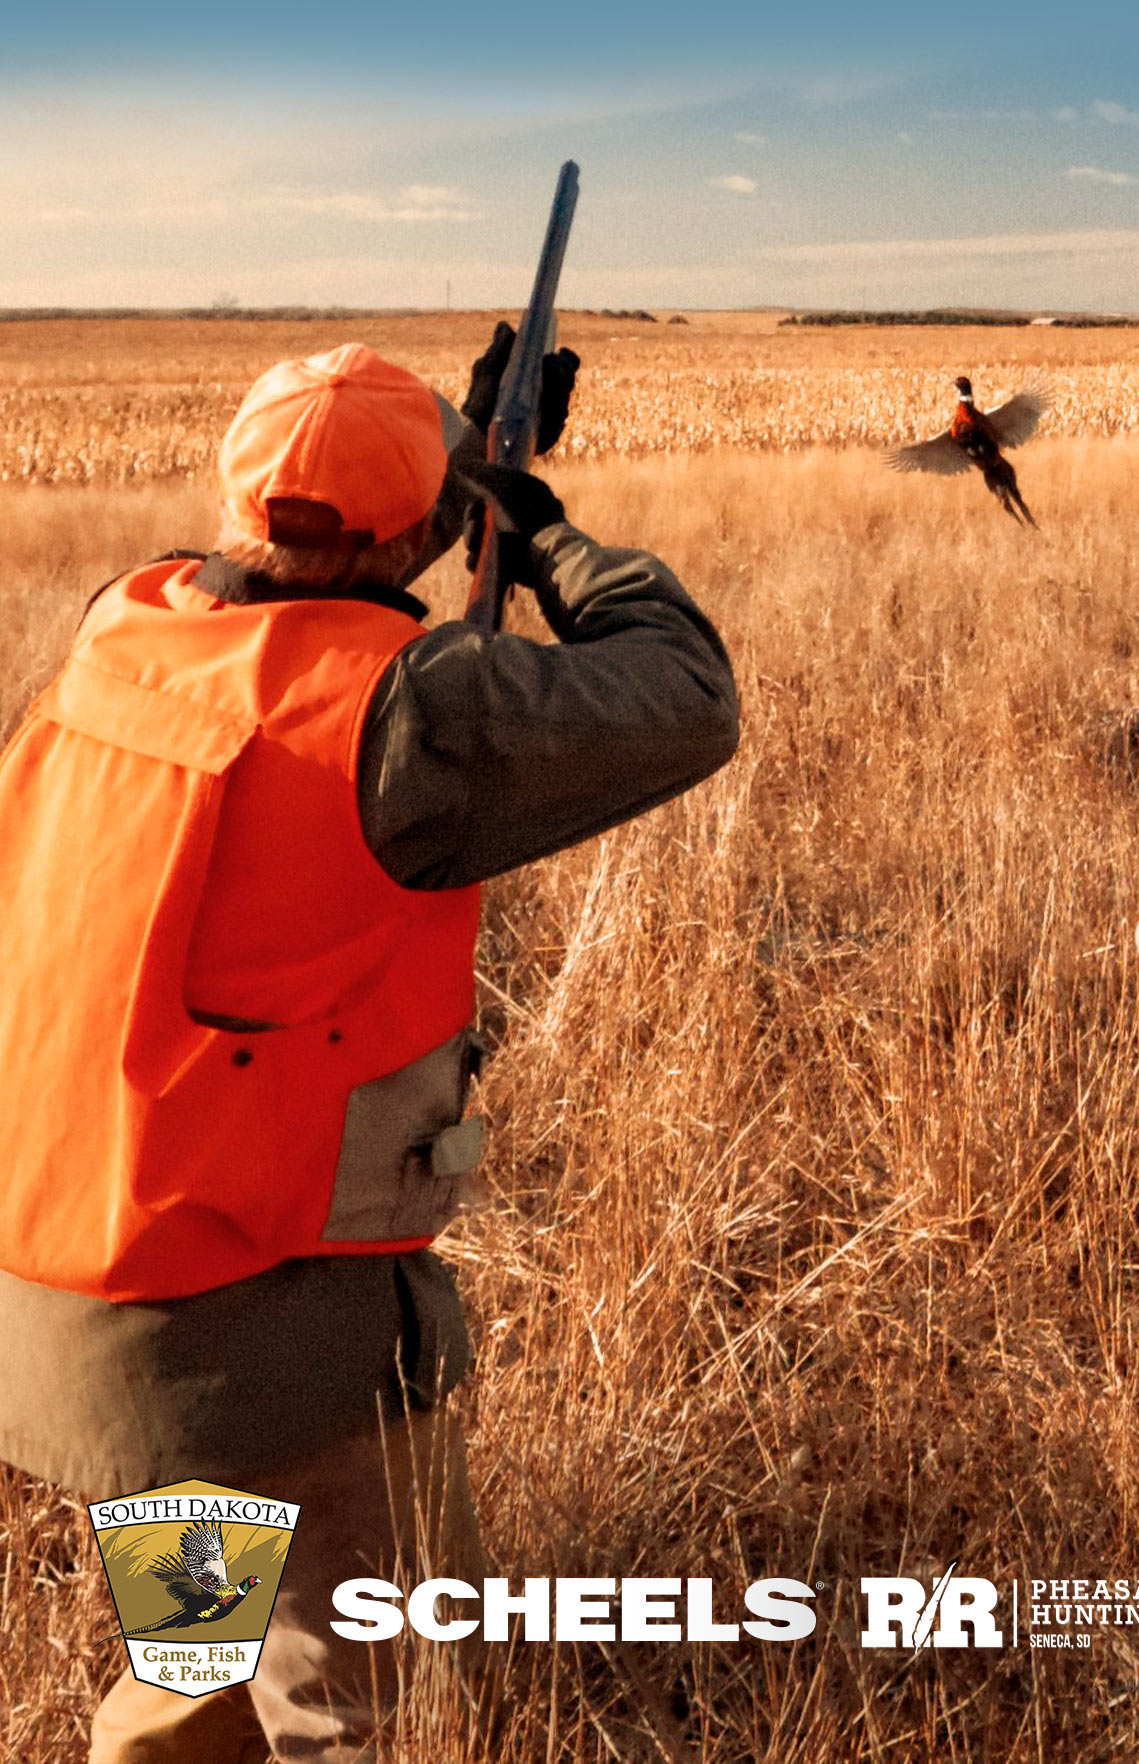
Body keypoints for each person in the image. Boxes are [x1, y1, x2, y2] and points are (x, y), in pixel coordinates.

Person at [0, 328, 739, 1763]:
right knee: (362, 1708)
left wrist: (457, 464)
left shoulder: (121, 628)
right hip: (279, 1334)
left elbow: (310, 564)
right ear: (420, 525)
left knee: (191, 1670)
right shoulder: (404, 707)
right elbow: (685, 691)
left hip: (101, 1303)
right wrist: (540, 530)